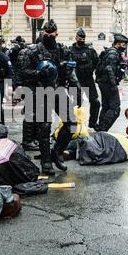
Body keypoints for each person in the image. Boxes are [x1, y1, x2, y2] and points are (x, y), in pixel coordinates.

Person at [19, 19, 82, 175]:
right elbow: (22, 72)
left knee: (71, 123)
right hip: (40, 91)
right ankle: (46, 161)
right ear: (42, 33)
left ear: (56, 34)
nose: (48, 35)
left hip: (59, 90)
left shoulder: (63, 50)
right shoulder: (32, 51)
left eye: (51, 33)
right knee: (44, 127)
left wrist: (77, 89)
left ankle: (57, 152)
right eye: (46, 33)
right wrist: (38, 73)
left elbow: (70, 72)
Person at [95, 33, 128, 132]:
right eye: (123, 45)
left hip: (105, 82)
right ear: (117, 44)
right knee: (115, 108)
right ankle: (103, 128)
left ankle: (100, 128)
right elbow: (109, 69)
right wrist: (113, 85)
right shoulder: (113, 54)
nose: (124, 47)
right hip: (108, 83)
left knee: (106, 106)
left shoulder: (111, 52)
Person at [70, 28, 100, 129]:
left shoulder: (90, 50)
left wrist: (92, 70)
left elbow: (97, 63)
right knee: (76, 104)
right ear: (76, 37)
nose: (81, 40)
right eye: (80, 38)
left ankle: (92, 122)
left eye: (83, 38)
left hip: (88, 79)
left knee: (95, 102)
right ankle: (74, 125)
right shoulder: (70, 51)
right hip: (75, 80)